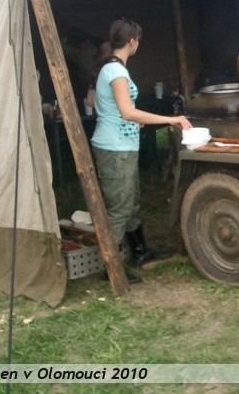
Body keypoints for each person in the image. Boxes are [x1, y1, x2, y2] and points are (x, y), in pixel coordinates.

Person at [91, 18, 192, 284]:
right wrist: (171, 119)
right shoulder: (116, 71)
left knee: (131, 204)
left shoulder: (114, 68)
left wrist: (139, 120)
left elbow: (116, 109)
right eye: (138, 40)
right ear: (132, 41)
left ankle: (140, 252)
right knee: (119, 209)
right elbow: (127, 111)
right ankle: (111, 268)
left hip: (123, 146)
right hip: (114, 149)